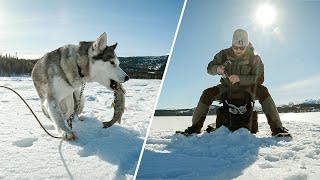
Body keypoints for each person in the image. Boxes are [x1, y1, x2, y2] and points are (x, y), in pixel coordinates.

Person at [184, 29, 290, 136]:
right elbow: (209, 68)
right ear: (232, 44)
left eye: (242, 48)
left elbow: (260, 78)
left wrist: (240, 78)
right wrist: (217, 69)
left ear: (247, 45)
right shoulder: (223, 54)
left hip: (247, 89)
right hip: (226, 87)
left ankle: (277, 129)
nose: (238, 50)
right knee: (207, 93)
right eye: (235, 47)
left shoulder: (255, 58)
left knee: (263, 91)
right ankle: (194, 128)